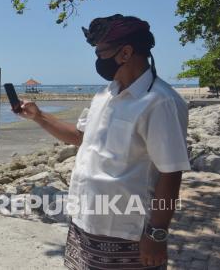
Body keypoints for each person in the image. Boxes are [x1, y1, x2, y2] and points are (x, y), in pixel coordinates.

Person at [17, 14, 190, 269]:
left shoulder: (159, 102)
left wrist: (157, 234)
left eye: (101, 53)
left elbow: (171, 172)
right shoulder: (105, 94)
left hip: (126, 232)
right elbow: (81, 138)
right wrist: (39, 116)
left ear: (126, 53)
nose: (97, 60)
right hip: (85, 221)